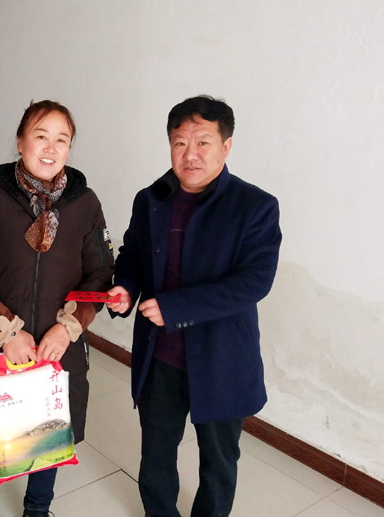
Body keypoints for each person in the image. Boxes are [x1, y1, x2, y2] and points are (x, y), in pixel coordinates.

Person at [107, 96, 282, 517]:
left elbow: (253, 282)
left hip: (222, 358)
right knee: (156, 453)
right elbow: (133, 255)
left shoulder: (255, 206)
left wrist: (175, 306)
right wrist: (125, 288)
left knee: (218, 462)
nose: (190, 154)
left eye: (203, 142)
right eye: (180, 142)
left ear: (226, 146)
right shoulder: (151, 198)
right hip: (160, 355)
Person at [0, 100, 114, 517]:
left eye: (62, 139)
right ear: (21, 142)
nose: (50, 147)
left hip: (57, 347)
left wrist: (68, 327)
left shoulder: (85, 203)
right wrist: (6, 330)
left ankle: (38, 510)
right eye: (41, 136)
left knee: (49, 432)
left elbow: (100, 274)